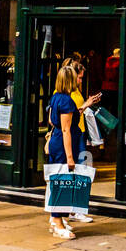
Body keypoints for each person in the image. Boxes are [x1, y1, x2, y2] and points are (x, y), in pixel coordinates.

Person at [46, 65, 91, 240]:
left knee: (57, 181)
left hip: (57, 141)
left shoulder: (56, 97)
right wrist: (70, 157)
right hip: (64, 145)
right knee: (62, 182)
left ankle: (57, 220)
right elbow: (66, 130)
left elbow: (51, 120)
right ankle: (57, 223)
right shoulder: (66, 101)